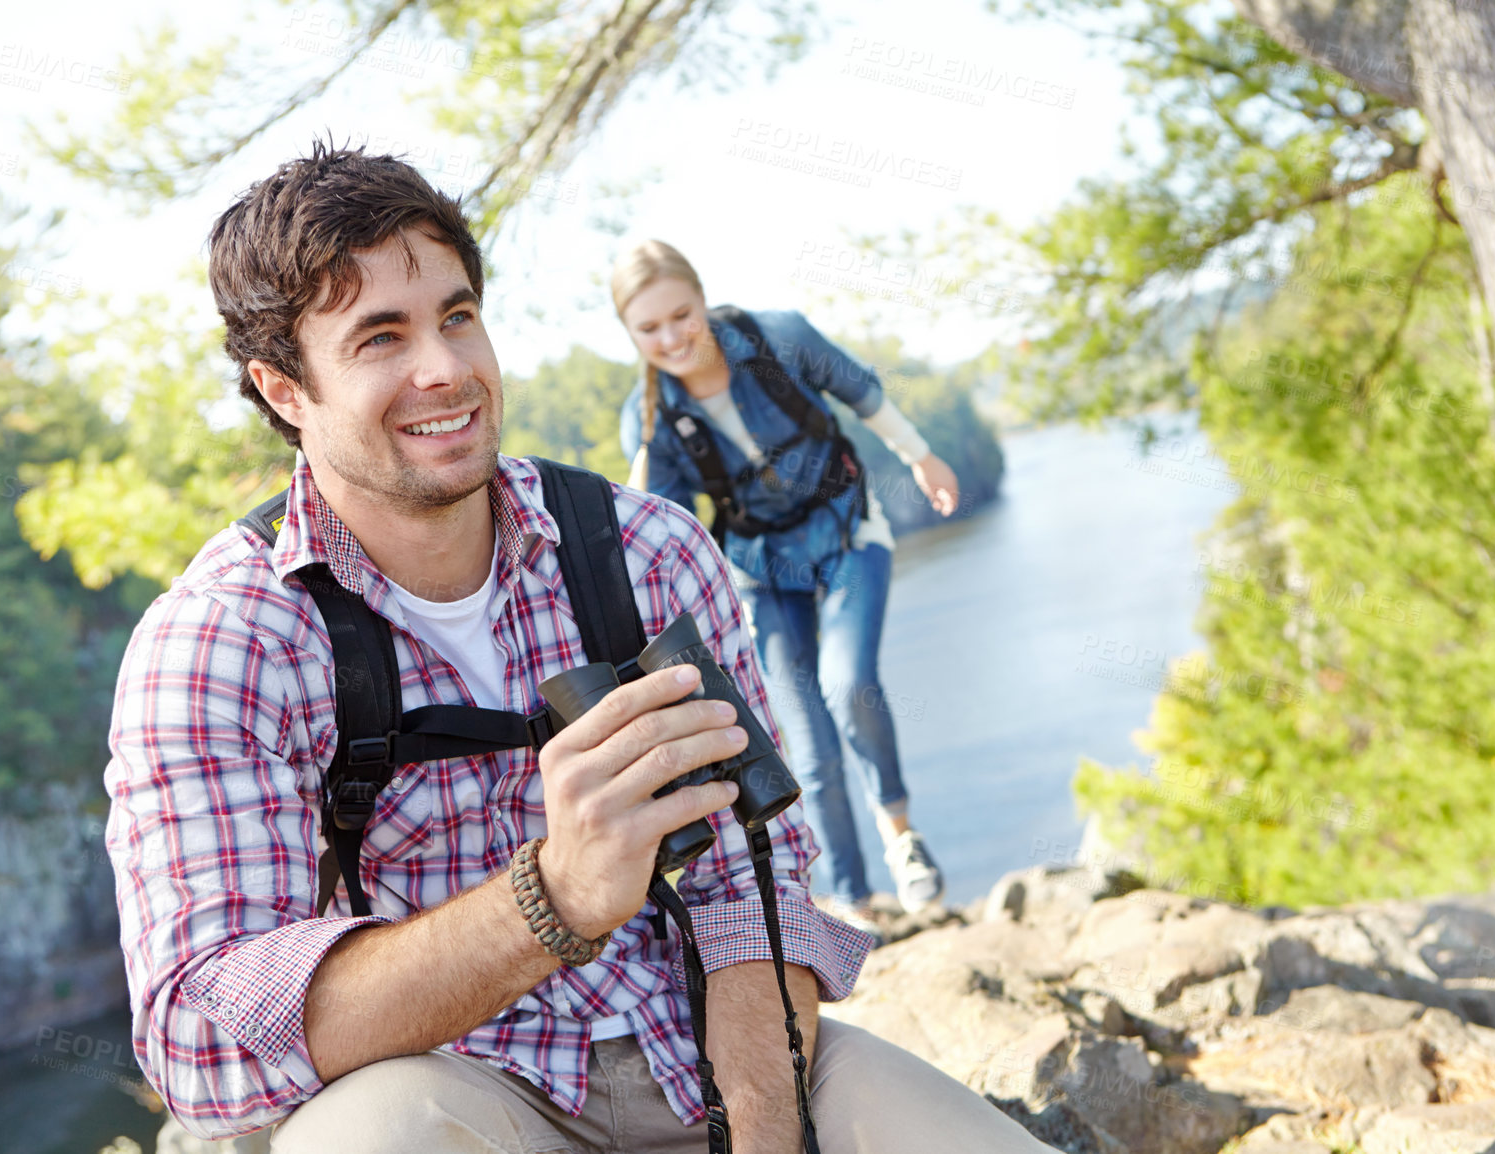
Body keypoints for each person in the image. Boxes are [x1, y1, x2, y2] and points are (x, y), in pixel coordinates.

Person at [104, 143, 1051, 1153]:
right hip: (451, 1093)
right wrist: (552, 894)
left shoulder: (644, 553)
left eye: (457, 315)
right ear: (284, 390)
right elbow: (202, 1050)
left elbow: (751, 889)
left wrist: (767, 1132)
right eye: (380, 336)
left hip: (707, 1057)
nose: (447, 368)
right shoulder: (219, 642)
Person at [613, 241, 955, 923]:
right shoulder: (650, 422)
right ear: (630, 335)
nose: (672, 337)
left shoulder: (780, 337)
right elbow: (666, 532)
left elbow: (860, 390)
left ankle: (901, 838)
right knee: (804, 731)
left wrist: (923, 457)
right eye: (648, 328)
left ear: (703, 300)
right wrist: (642, 479)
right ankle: (856, 901)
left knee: (845, 680)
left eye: (682, 315)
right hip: (763, 569)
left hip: (847, 530)